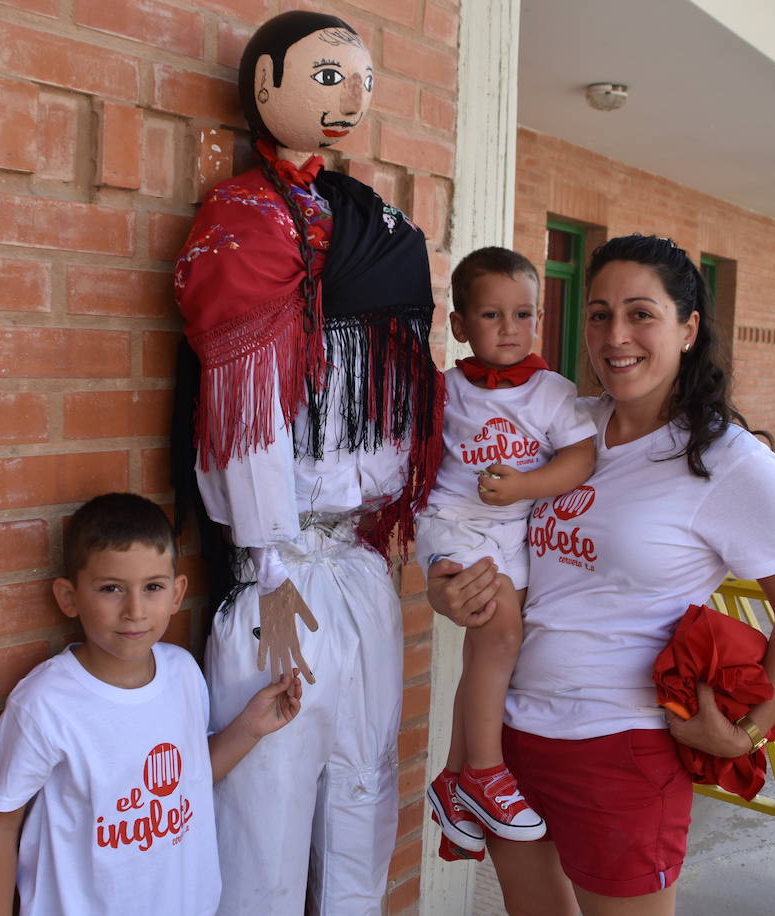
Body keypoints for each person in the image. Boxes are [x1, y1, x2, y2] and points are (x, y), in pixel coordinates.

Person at [428, 234, 775, 914]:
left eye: (641, 313)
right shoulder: (564, 429)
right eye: (599, 313)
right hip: (512, 736)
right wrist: (448, 586)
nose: (617, 335)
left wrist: (746, 732)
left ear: (688, 328)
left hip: (621, 750)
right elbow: (475, 520)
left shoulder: (730, 462)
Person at [171, 11, 442, 914]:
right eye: (328, 76)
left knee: (363, 786)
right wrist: (270, 560)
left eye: (360, 81)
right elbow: (240, 412)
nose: (349, 97)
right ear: (264, 86)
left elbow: (408, 394)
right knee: (266, 801)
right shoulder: (241, 221)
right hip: (278, 574)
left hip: (361, 566)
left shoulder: (367, 218)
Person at [0, 493, 302, 915]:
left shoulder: (182, 673)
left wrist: (250, 727)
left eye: (153, 588)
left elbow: (190, 778)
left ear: (177, 593)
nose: (135, 610)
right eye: (111, 589)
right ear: (69, 597)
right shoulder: (45, 703)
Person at [418, 247, 596, 855]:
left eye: (524, 315)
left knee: (491, 654)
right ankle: (486, 774)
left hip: (513, 531)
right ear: (460, 325)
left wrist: (525, 486)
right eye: (492, 316)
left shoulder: (552, 391)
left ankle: (453, 779)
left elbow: (579, 457)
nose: (511, 329)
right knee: (500, 639)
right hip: (456, 523)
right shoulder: (447, 390)